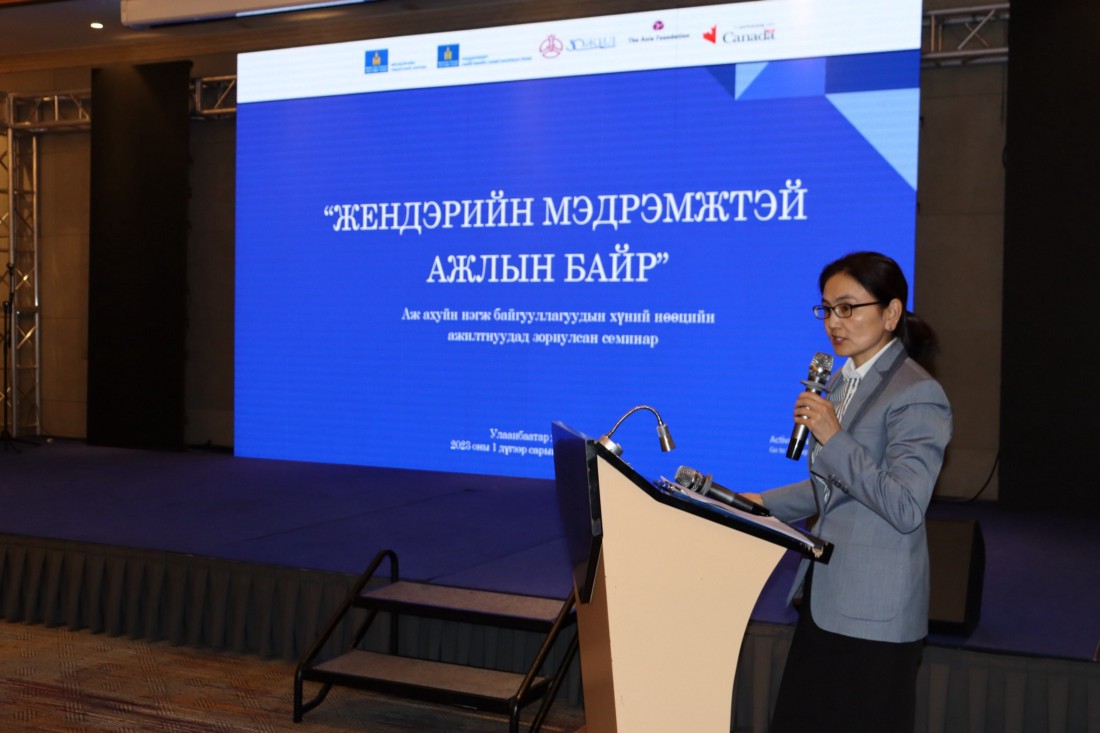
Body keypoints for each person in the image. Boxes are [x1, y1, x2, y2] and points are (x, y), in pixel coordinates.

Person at [742, 251, 952, 733]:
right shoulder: (842, 380)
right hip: (827, 597)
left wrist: (834, 437)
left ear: (891, 313)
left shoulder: (917, 393)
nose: (834, 322)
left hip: (875, 612)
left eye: (848, 308)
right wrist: (757, 504)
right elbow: (834, 489)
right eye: (827, 309)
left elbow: (905, 505)